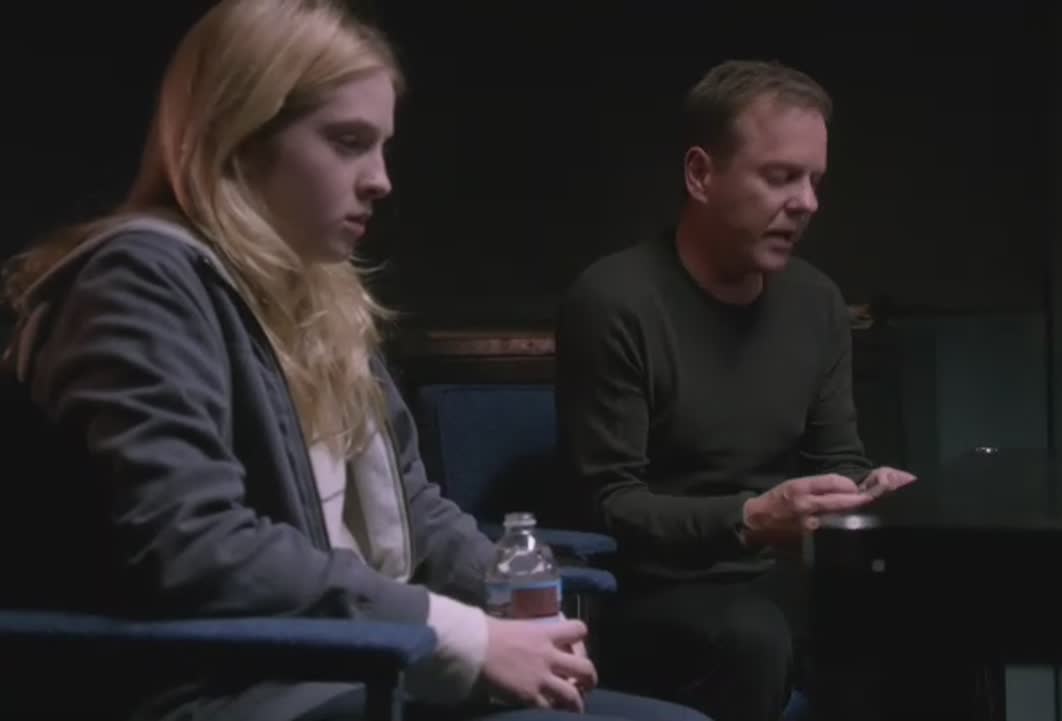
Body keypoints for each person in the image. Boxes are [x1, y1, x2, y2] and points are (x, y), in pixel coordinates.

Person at [0, 2, 710, 721]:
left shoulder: (323, 296)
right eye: (347, 143)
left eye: (381, 147)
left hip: (358, 668)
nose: (380, 180)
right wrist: (463, 635)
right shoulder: (139, 282)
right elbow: (195, 546)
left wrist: (518, 593)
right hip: (222, 691)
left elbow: (415, 511)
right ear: (238, 139)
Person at [554, 60, 927, 721]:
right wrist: (750, 518)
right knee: (755, 638)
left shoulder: (816, 302)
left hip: (783, 582)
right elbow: (607, 506)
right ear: (701, 174)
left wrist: (868, 491)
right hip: (657, 593)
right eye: (781, 177)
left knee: (935, 609)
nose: (807, 203)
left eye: (814, 181)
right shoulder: (615, 301)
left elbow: (837, 458)